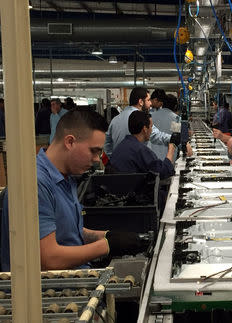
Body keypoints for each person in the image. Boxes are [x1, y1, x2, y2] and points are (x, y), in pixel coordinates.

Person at [1, 108, 148, 271]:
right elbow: (49, 258)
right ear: (70, 142)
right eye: (94, 151)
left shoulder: (66, 177)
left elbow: (69, 232)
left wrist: (106, 235)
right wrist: (106, 246)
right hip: (48, 292)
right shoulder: (33, 183)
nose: (95, 159)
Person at [103, 87, 174, 158]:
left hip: (119, 165)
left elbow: (107, 143)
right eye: (148, 100)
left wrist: (113, 158)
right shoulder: (141, 118)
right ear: (140, 102)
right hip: (137, 164)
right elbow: (155, 135)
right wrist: (173, 138)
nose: (150, 104)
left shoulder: (115, 120)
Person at [109, 110, 177, 179]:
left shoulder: (122, 145)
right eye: (150, 127)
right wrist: (171, 150)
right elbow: (163, 172)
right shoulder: (140, 150)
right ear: (145, 129)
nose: (151, 130)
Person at [150, 94, 180, 160]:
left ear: (162, 104)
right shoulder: (176, 118)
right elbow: (176, 137)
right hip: (169, 156)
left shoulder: (151, 116)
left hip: (153, 156)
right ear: (175, 106)